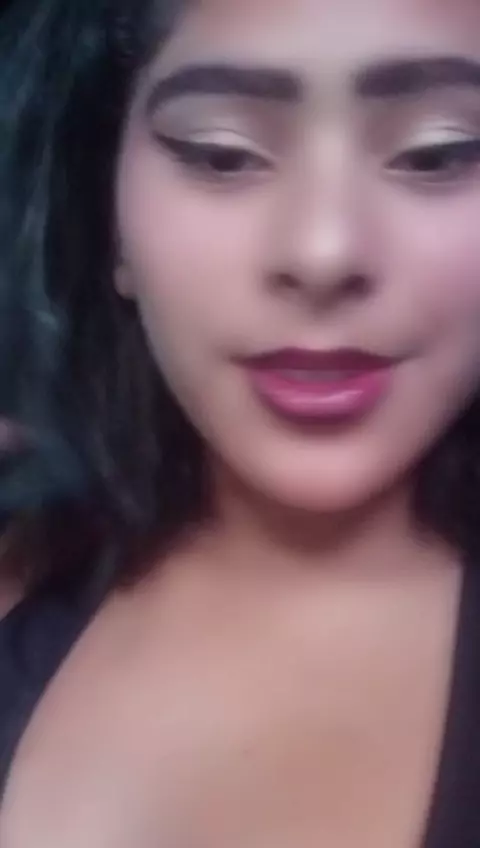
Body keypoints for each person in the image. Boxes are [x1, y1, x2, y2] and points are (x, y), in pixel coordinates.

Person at [1, 0, 480, 844]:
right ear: (111, 217)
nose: (323, 252)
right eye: (221, 154)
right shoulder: (26, 556)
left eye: (435, 153)